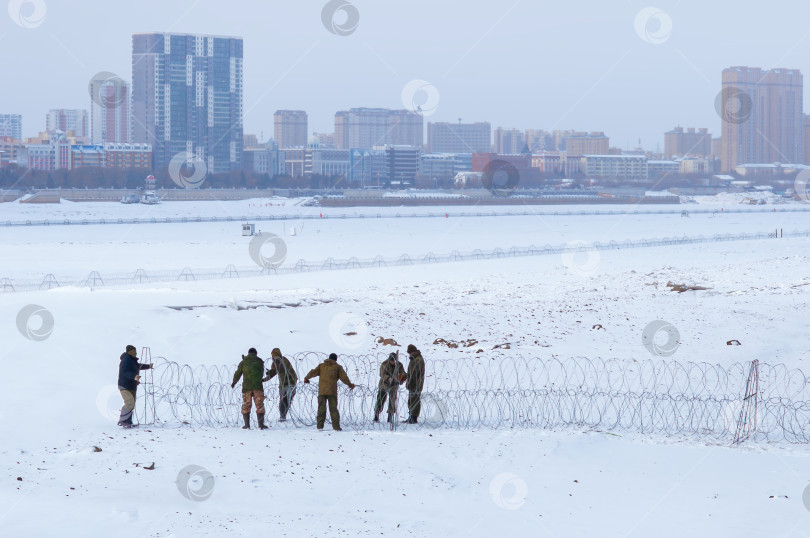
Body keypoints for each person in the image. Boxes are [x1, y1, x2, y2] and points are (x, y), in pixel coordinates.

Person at [303, 352, 356, 431]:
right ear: (335, 359)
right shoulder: (337, 367)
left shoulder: (322, 366)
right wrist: (349, 384)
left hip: (322, 391)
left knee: (321, 409)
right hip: (332, 392)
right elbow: (344, 377)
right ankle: (336, 427)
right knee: (333, 410)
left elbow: (313, 372)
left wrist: (306, 378)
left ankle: (320, 427)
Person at [232, 348, 268, 430]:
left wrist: (234, 382)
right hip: (258, 386)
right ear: (256, 353)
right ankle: (261, 425)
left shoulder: (243, 362)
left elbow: (238, 373)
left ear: (248, 353)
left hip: (246, 387)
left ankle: (247, 425)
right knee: (259, 405)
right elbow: (261, 373)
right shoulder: (259, 361)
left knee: (246, 405)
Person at [117, 345, 153, 428]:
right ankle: (123, 421)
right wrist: (134, 376)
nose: (136, 353)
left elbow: (138, 366)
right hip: (125, 385)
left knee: (131, 403)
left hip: (132, 385)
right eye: (134, 351)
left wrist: (148, 366)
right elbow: (125, 371)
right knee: (129, 402)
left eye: (136, 351)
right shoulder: (126, 359)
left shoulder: (132, 360)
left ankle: (128, 422)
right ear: (129, 352)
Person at [263, 347, 298, 422]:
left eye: (275, 355)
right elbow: (273, 373)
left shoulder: (284, 360)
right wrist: (264, 379)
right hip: (282, 385)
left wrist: (271, 371)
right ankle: (282, 416)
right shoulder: (274, 363)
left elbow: (281, 368)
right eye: (272, 356)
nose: (273, 357)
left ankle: (283, 415)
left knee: (287, 400)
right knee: (282, 400)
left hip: (291, 382)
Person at [374, 351, 405, 423]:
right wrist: (388, 378)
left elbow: (403, 373)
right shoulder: (384, 364)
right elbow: (382, 374)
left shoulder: (399, 365)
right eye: (392, 361)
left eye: (394, 361)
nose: (393, 362)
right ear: (389, 360)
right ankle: (376, 415)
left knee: (392, 401)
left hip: (394, 385)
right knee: (380, 399)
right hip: (384, 384)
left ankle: (390, 417)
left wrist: (401, 379)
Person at [405, 344, 425, 424]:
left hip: (416, 383)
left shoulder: (418, 360)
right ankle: (411, 416)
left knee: (415, 400)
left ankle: (413, 418)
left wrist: (410, 382)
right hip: (413, 383)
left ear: (413, 352)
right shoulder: (414, 359)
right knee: (411, 400)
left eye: (410, 353)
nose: (409, 354)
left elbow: (414, 373)